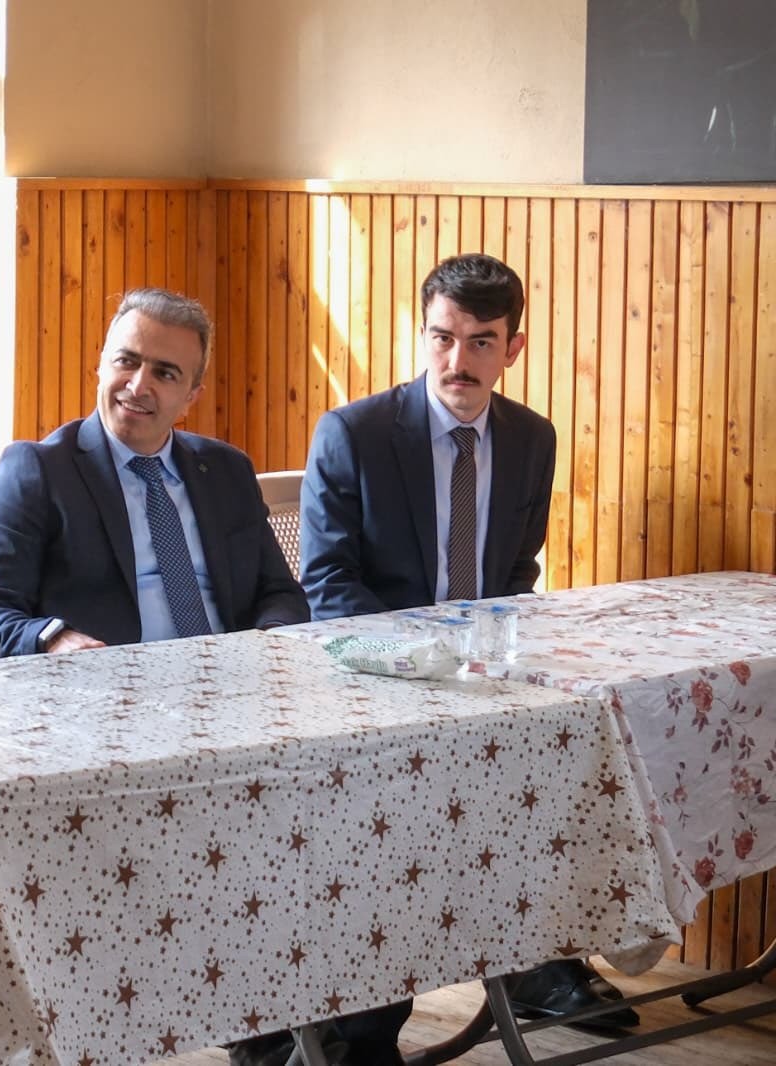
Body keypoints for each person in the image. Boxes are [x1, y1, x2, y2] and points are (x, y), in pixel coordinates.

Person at [279, 252, 628, 1066]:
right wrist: (427, 663)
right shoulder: (355, 434)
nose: (456, 361)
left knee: (573, 748)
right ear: (422, 333)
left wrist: (488, 658)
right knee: (405, 815)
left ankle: (534, 956)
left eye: (480, 342)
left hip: (480, 676)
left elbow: (516, 570)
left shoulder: (531, 437)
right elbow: (328, 585)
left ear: (513, 349)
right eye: (441, 337)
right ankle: (364, 1027)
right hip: (375, 677)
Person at [0, 286, 307, 661]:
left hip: (232, 678)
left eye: (165, 374)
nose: (138, 386)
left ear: (191, 397)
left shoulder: (227, 471)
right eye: (127, 361)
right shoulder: (38, 471)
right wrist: (52, 639)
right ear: (101, 366)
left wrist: (269, 642)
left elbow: (280, 593)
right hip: (105, 683)